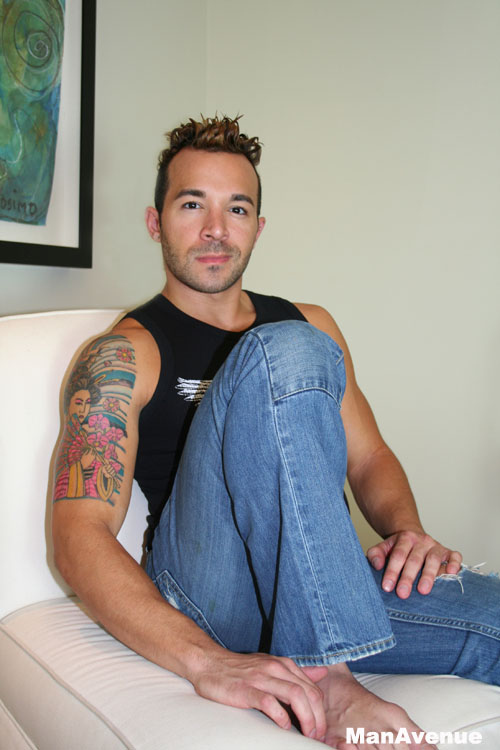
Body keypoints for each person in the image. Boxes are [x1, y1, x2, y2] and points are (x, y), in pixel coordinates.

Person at [52, 115, 500, 749]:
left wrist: (406, 532)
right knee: (283, 350)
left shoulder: (314, 322)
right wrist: (204, 661)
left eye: (236, 208)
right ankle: (329, 680)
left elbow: (369, 457)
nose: (215, 228)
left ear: (257, 227)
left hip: (319, 579)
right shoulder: (124, 354)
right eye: (192, 204)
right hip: (210, 594)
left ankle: (321, 634)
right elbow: (78, 537)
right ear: (156, 222)